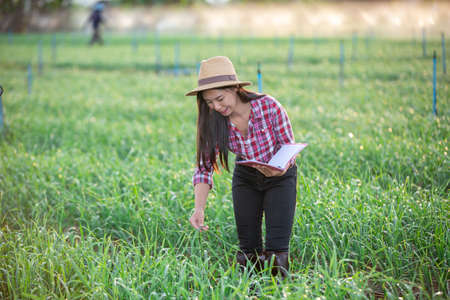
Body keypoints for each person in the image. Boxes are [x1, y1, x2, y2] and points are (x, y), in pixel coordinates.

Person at [185, 56, 298, 279]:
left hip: (280, 176)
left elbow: (288, 147)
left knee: (277, 247)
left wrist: (279, 168)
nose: (216, 107)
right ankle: (251, 291)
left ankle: (278, 291)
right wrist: (199, 209)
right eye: (209, 102)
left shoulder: (269, 106)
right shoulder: (213, 121)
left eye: (219, 98)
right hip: (246, 177)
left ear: (235, 88)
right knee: (248, 249)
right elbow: (204, 167)